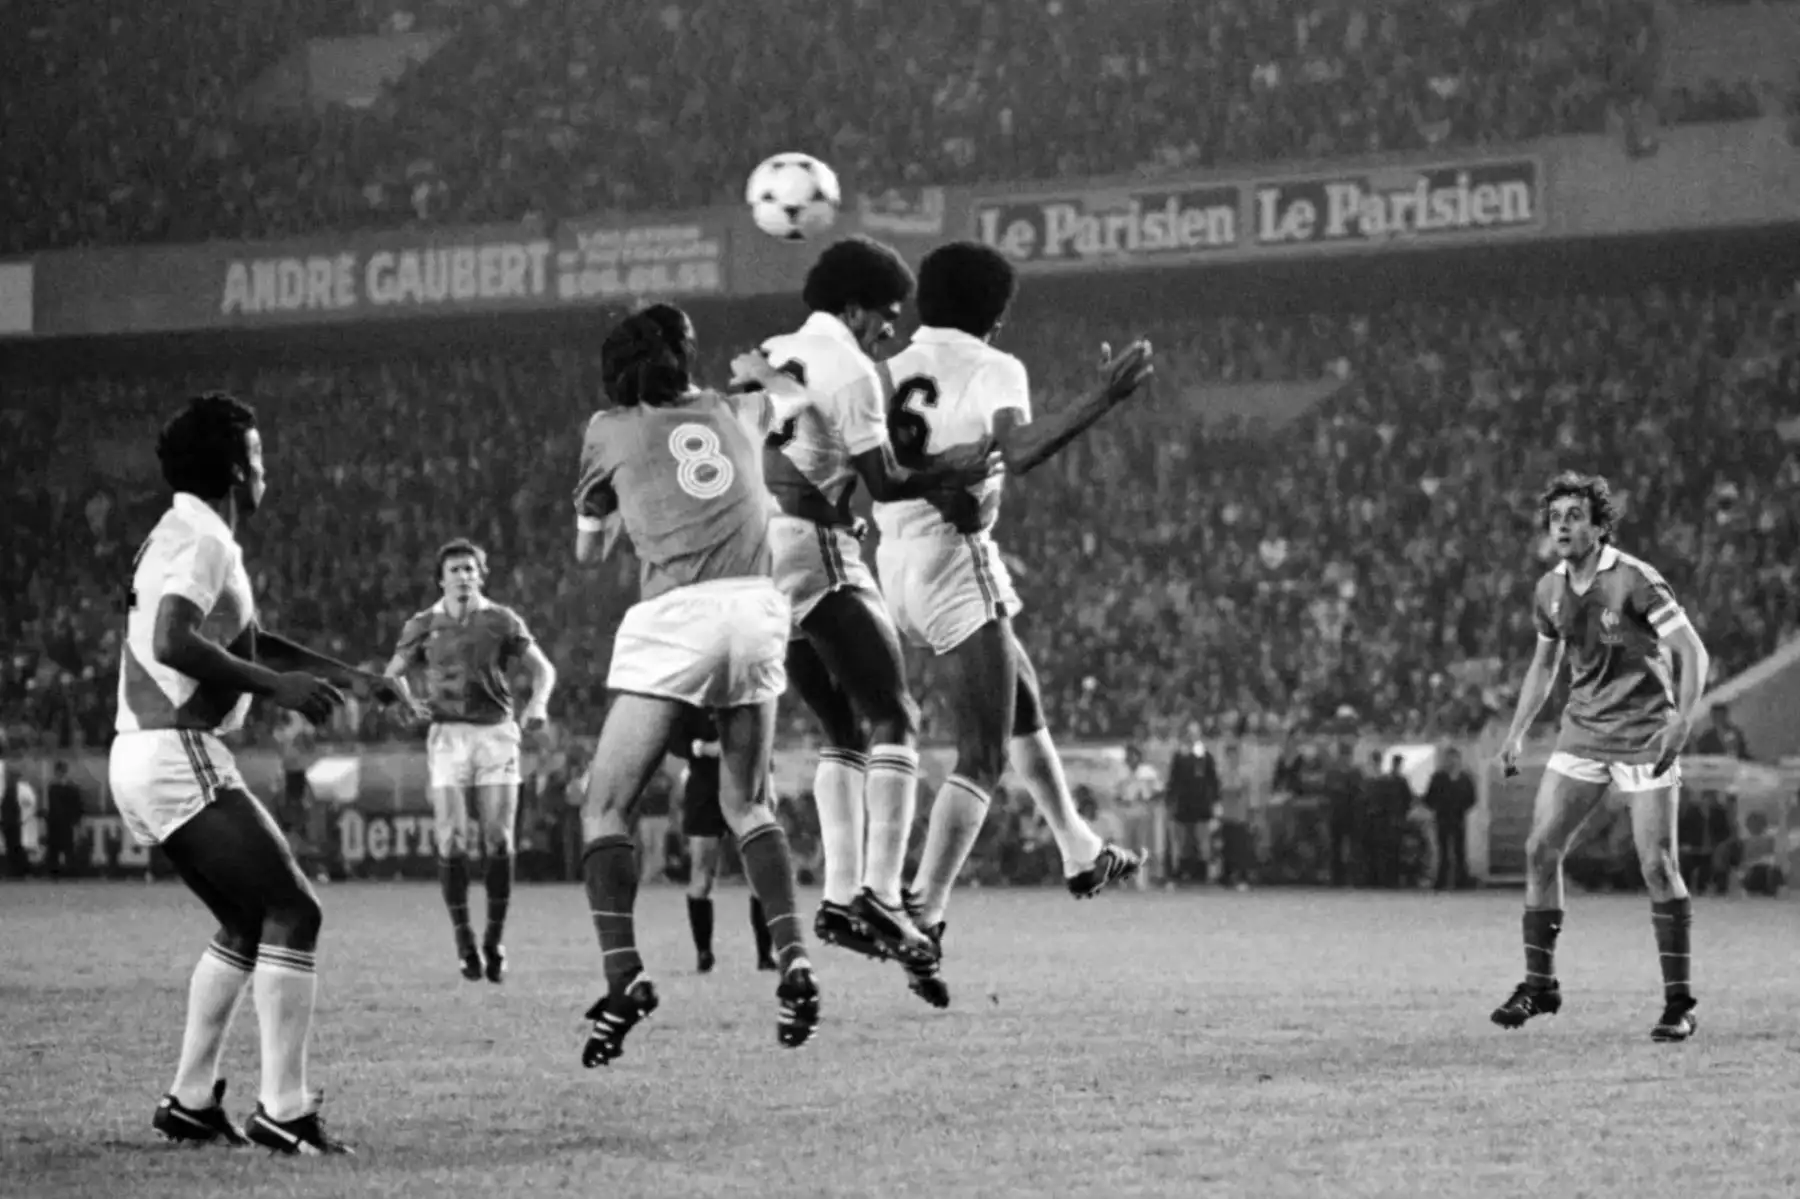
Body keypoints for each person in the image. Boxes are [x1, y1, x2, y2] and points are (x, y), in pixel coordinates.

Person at [115, 392, 405, 1154]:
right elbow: (173, 640)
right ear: (237, 469)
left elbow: (250, 640)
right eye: (259, 454)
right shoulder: (203, 539)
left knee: (248, 920)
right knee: (295, 909)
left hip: (149, 749)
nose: (266, 467)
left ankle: (189, 1101)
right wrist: (277, 689)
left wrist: (354, 677)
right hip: (175, 747)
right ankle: (284, 1109)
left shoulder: (186, 531)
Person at [870, 241, 1153, 1008]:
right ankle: (924, 912)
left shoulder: (886, 371)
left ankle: (1079, 848)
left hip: (892, 561)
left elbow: (876, 468)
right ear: (995, 315)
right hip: (954, 559)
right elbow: (1019, 451)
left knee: (1019, 695)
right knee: (984, 752)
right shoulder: (995, 366)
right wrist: (1100, 399)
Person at [570, 304, 823, 1067]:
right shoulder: (738, 408)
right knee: (749, 802)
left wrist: (625, 511)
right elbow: (797, 395)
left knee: (604, 806)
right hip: (757, 607)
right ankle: (794, 958)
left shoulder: (607, 429)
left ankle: (624, 977)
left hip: (677, 612)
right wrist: (760, 370)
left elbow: (589, 552)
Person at [734, 237, 993, 965]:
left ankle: (840, 899)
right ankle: (879, 893)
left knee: (842, 725)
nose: (890, 328)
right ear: (853, 308)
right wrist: (955, 470)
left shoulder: (772, 351)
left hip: (759, 554)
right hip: (812, 547)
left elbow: (757, 452)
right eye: (886, 313)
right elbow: (884, 482)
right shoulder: (850, 368)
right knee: (896, 715)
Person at [1493, 471, 1711, 1042]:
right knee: (1540, 849)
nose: (1562, 526)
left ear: (1598, 526)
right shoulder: (1549, 589)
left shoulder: (1634, 579)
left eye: (1574, 516)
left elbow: (1692, 651)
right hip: (1583, 733)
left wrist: (1682, 722)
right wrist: (1517, 732)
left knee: (1657, 865)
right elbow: (1545, 665)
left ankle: (1679, 1004)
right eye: (1555, 518)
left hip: (1643, 734)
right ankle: (1540, 985)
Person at [386, 538, 557, 984]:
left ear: (481, 576)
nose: (463, 576)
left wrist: (537, 704)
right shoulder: (423, 624)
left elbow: (544, 669)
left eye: (470, 569)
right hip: (447, 737)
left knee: (499, 839)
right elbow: (391, 675)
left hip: (496, 736)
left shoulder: (501, 620)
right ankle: (464, 941)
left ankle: (493, 940)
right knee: (452, 839)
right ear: (440, 579)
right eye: (455, 570)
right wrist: (408, 703)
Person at [673, 708, 776, 974]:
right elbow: (674, 739)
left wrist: (769, 782)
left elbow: (763, 739)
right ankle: (704, 954)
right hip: (704, 792)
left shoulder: (745, 700)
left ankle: (765, 956)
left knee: (758, 875)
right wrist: (702, 748)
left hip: (745, 790)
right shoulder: (692, 702)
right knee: (702, 875)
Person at [1423, 747, 1476, 890]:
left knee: (1459, 850)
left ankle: (1461, 880)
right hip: (1443, 818)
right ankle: (1442, 880)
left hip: (1458, 818)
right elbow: (1429, 797)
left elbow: (1472, 797)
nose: (1452, 762)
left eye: (1454, 758)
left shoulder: (1464, 778)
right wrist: (1438, 807)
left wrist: (1462, 807)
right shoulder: (1438, 778)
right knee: (1443, 850)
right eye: (1449, 758)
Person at [45, 760, 83, 880]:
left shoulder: (70, 788)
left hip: (66, 822)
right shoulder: (53, 787)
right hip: (55, 823)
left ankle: (71, 872)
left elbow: (77, 806)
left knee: (68, 848)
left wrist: (75, 820)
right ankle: (54, 872)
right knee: (55, 849)